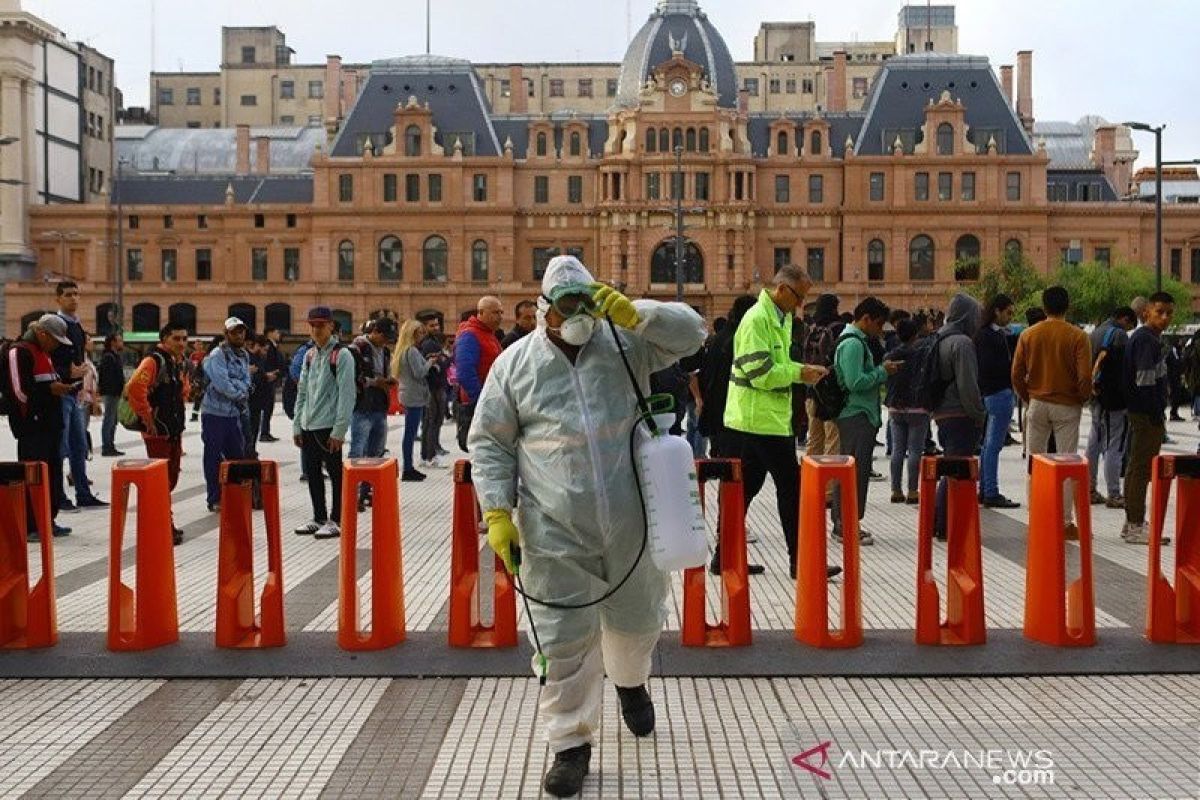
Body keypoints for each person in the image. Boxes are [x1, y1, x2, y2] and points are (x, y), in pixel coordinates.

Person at [470, 256, 707, 798]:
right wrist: (497, 513)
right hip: (553, 528)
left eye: (586, 302)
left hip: (631, 518)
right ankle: (570, 744)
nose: (577, 314)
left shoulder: (623, 345)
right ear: (543, 310)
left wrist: (635, 313)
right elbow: (489, 442)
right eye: (567, 305)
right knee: (561, 639)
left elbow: (692, 334)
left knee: (637, 620)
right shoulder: (516, 366)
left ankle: (630, 683)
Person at [722, 265, 837, 579]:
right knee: (791, 488)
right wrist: (800, 373)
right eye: (799, 297)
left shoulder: (780, 318)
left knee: (745, 488)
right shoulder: (758, 320)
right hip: (759, 419)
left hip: (765, 418)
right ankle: (801, 561)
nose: (801, 305)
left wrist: (801, 369)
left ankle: (724, 557)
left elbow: (779, 365)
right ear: (783, 289)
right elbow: (760, 374)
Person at [1011, 287, 1092, 538]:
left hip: (1037, 403)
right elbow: (1085, 376)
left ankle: (1037, 517)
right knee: (1067, 463)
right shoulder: (1078, 336)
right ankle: (1065, 522)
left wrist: (1028, 396)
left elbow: (1016, 373)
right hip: (1067, 405)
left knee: (1035, 462)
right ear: (1067, 306)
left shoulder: (1028, 334)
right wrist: (1081, 397)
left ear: (1044, 307)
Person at [831, 297, 901, 546]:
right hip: (855, 414)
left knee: (852, 470)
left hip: (860, 414)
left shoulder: (857, 341)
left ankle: (845, 522)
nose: (880, 330)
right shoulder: (853, 344)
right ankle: (846, 524)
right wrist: (883, 372)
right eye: (878, 324)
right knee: (854, 472)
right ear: (866, 319)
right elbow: (854, 382)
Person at [5, 315, 76, 539]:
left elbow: (44, 382)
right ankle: (31, 525)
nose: (56, 345)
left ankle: (47, 519)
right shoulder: (19, 351)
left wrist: (61, 387)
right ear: (42, 334)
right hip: (32, 427)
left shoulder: (45, 353)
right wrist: (50, 391)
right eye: (54, 340)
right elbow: (18, 392)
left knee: (51, 472)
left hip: (50, 425)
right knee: (32, 474)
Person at [292, 306, 357, 539]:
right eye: (312, 325)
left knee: (335, 473)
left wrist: (339, 430)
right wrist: (297, 424)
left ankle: (336, 518)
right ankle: (318, 516)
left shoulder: (342, 355)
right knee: (313, 473)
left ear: (331, 325)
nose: (316, 329)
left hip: (328, 425)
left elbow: (347, 394)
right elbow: (302, 392)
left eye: (321, 325)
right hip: (309, 424)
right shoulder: (310, 355)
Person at [126, 322, 190, 545]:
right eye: (176, 339)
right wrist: (147, 417)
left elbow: (181, 391)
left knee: (170, 479)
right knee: (160, 481)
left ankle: (164, 522)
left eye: (184, 339)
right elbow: (134, 387)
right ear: (164, 339)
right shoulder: (154, 360)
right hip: (158, 431)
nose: (181, 343)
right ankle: (161, 526)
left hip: (172, 429)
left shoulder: (176, 362)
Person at [930, 294, 988, 537]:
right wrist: (979, 413)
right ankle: (945, 524)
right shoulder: (962, 343)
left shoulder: (940, 338)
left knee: (952, 465)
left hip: (943, 412)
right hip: (960, 414)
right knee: (957, 469)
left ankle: (943, 521)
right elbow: (968, 385)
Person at [1122, 292, 1176, 544]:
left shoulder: (1148, 338)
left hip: (1141, 411)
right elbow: (1144, 380)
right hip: (1145, 413)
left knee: (1137, 466)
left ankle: (1132, 521)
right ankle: (1135, 524)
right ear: (1146, 313)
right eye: (1159, 312)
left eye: (1169, 313)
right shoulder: (1146, 340)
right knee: (1141, 468)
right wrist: (1155, 412)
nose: (1164, 318)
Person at [51, 281, 106, 511]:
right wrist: (67, 373)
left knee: (79, 444)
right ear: (58, 299)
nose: (73, 298)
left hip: (75, 394)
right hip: (62, 392)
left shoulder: (77, 325)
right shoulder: (56, 324)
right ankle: (60, 497)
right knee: (61, 446)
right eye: (68, 295)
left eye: (76, 294)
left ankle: (83, 493)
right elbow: (50, 359)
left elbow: (80, 359)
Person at [1086, 307, 1137, 508]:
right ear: (1124, 319)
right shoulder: (1120, 336)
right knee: (1115, 445)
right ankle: (1114, 493)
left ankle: (1089, 488)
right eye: (1130, 325)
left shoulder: (1095, 333)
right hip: (1114, 401)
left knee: (1094, 441)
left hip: (1095, 396)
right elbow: (1123, 371)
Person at [201, 319, 251, 513]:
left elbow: (246, 379)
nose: (239, 336)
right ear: (226, 334)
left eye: (241, 332)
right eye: (234, 332)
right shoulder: (217, 355)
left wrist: (239, 388)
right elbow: (222, 384)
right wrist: (240, 392)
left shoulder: (244, 355)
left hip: (234, 413)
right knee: (213, 457)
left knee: (236, 456)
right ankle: (214, 498)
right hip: (214, 413)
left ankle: (235, 494)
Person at [973, 294, 1019, 508]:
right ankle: (990, 490)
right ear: (997, 311)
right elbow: (993, 366)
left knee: (987, 444)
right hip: (998, 392)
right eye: (1008, 312)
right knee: (993, 445)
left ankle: (985, 488)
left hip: (988, 392)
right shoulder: (990, 337)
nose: (1010, 317)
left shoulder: (984, 335)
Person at [697, 296, 756, 461]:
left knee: (725, 466)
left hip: (716, 411)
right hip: (735, 414)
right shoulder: (740, 339)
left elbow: (706, 374)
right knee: (735, 468)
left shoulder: (718, 339)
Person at [348, 318, 395, 499]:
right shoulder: (357, 349)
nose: (386, 341)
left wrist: (388, 381)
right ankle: (351, 492)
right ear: (374, 331)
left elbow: (385, 372)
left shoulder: (384, 351)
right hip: (362, 405)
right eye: (384, 336)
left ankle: (366, 491)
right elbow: (353, 378)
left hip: (379, 405)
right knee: (358, 449)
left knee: (376, 451)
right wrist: (376, 382)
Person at [389, 320, 439, 481]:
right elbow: (419, 372)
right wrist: (430, 363)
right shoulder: (411, 351)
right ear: (412, 334)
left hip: (408, 394)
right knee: (410, 433)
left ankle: (409, 466)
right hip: (414, 396)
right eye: (420, 333)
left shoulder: (403, 351)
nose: (422, 336)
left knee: (410, 432)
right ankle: (408, 468)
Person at [884, 319, 926, 504]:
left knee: (897, 450)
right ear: (915, 335)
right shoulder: (923, 354)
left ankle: (895, 490)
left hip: (895, 406)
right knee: (915, 450)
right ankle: (912, 491)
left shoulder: (890, 355)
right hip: (917, 406)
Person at [453, 296, 504, 452]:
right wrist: (481, 399)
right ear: (481, 312)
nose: (500, 317)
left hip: (491, 401)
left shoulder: (488, 334)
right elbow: (465, 371)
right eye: (495, 312)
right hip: (479, 404)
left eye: (501, 312)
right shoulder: (470, 335)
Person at [802, 293, 842, 456]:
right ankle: (829, 479)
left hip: (812, 389)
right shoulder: (838, 328)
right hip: (831, 392)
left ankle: (809, 479)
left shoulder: (810, 329)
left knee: (814, 440)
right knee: (833, 440)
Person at [416, 311, 449, 468]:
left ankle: (427, 455)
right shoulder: (429, 344)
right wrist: (444, 361)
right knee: (432, 421)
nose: (436, 327)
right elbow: (437, 366)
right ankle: (430, 456)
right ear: (424, 327)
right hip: (433, 387)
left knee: (432, 421)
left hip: (436, 386)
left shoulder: (433, 342)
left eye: (437, 324)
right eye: (432, 325)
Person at [98, 333, 126, 456]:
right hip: (111, 393)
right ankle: (107, 446)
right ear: (113, 342)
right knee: (109, 419)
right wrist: (118, 390)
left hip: (114, 393)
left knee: (113, 419)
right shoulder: (109, 357)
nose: (122, 343)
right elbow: (109, 378)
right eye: (120, 340)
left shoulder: (114, 356)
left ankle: (110, 445)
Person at [258, 326, 285, 442]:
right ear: (270, 333)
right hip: (268, 379)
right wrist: (268, 374)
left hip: (272, 378)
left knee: (269, 407)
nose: (279, 334)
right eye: (276, 331)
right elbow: (266, 362)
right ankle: (264, 432)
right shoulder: (267, 345)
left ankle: (265, 431)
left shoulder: (274, 345)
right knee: (267, 407)